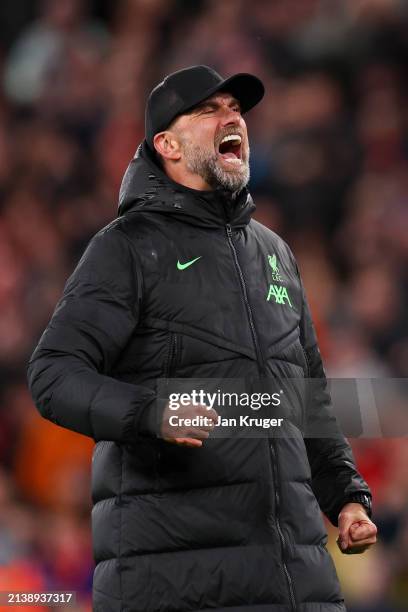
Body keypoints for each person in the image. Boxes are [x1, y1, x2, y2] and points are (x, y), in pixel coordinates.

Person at [28, 65, 377, 612]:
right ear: (166, 144)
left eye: (234, 108)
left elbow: (309, 403)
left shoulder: (275, 254)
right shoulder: (127, 248)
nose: (231, 116)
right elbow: (52, 374)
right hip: (177, 583)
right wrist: (150, 413)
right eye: (208, 110)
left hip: (298, 582)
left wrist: (347, 498)